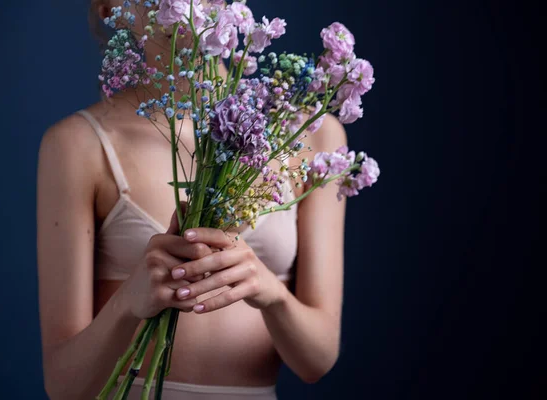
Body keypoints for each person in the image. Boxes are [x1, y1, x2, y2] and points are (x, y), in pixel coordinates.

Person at [37, 1, 347, 399]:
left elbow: (316, 361)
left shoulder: (312, 135)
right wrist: (129, 301)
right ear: (110, 7)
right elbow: (64, 386)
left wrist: (268, 291)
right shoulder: (78, 145)